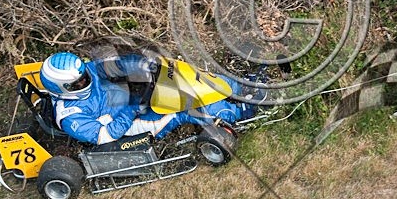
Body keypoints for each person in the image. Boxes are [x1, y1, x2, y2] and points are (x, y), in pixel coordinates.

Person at [38, 51, 257, 145]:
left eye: (84, 77)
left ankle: (241, 86)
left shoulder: (85, 73)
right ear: (62, 89)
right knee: (180, 110)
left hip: (131, 99)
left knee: (184, 78)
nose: (86, 81)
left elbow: (108, 67)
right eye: (79, 83)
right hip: (128, 125)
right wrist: (134, 105)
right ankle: (243, 111)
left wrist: (142, 65)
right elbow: (105, 136)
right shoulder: (71, 116)